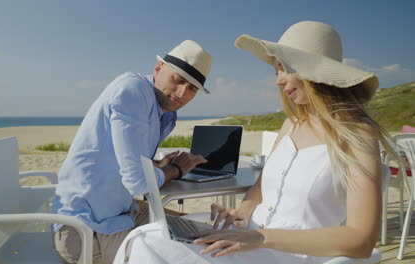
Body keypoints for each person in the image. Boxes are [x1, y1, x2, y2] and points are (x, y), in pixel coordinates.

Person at [114, 21, 395, 264]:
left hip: (290, 254)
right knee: (146, 235)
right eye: (276, 71)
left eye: (284, 69)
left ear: (313, 71)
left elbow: (361, 239)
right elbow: (261, 188)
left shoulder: (357, 134)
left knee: (150, 247)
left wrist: (258, 237)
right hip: (249, 237)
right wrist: (241, 211)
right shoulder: (291, 125)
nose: (278, 81)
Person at [51, 40, 212, 263]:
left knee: (203, 232)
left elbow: (125, 162)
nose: (182, 92)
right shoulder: (133, 90)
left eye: (192, 88)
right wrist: (176, 169)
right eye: (178, 80)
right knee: (196, 253)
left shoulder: (161, 111)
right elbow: (137, 183)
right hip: (86, 231)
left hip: (121, 214)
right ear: (158, 69)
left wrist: (159, 166)